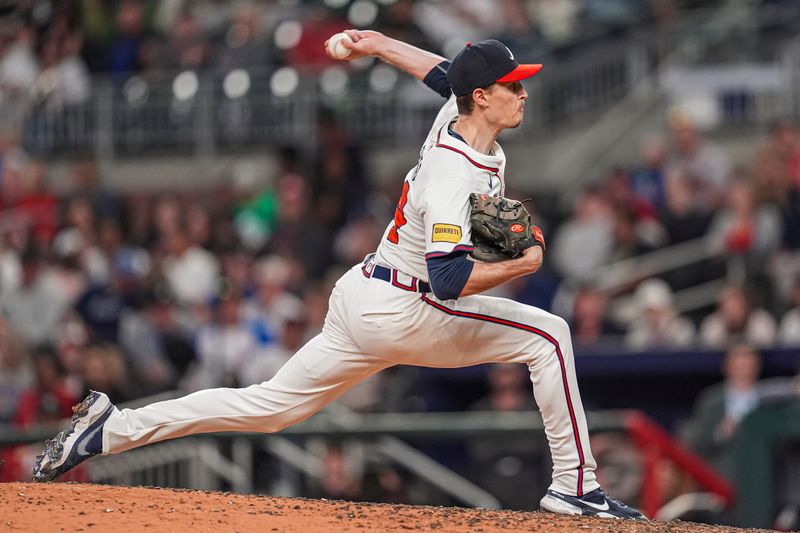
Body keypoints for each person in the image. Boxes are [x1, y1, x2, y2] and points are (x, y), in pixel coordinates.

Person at [32, 30, 644, 520]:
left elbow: (441, 73)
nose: (524, 93)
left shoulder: (455, 118)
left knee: (267, 406)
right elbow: (451, 279)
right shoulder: (455, 176)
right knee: (550, 336)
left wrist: (376, 42)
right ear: (483, 97)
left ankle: (112, 429)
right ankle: (575, 486)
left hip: (365, 295)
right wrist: (524, 263)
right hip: (409, 307)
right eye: (513, 85)